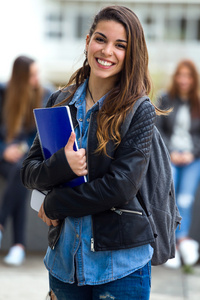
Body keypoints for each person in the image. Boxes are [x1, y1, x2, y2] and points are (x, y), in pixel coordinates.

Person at [21, 6, 167, 300]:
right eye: (101, 39)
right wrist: (62, 164)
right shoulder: (58, 100)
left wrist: (56, 203)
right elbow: (28, 171)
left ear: (131, 53)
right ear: (88, 41)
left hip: (120, 267)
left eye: (120, 45)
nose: (107, 51)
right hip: (65, 265)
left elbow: (120, 187)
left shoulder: (139, 110)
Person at [0, 55, 53, 266]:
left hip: (24, 158)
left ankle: (1, 224)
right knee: (21, 173)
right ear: (21, 77)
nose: (36, 79)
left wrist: (21, 150)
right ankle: (18, 246)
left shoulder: (43, 93)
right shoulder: (3, 93)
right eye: (32, 75)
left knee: (21, 171)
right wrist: (4, 151)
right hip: (4, 158)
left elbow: (38, 136)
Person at [156, 59, 200, 269]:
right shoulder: (165, 98)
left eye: (188, 76)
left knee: (185, 198)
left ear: (194, 79)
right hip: (170, 156)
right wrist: (171, 153)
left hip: (192, 158)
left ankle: (182, 240)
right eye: (180, 75)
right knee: (169, 193)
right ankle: (169, 241)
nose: (184, 80)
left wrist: (192, 153)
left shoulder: (198, 101)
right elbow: (159, 131)